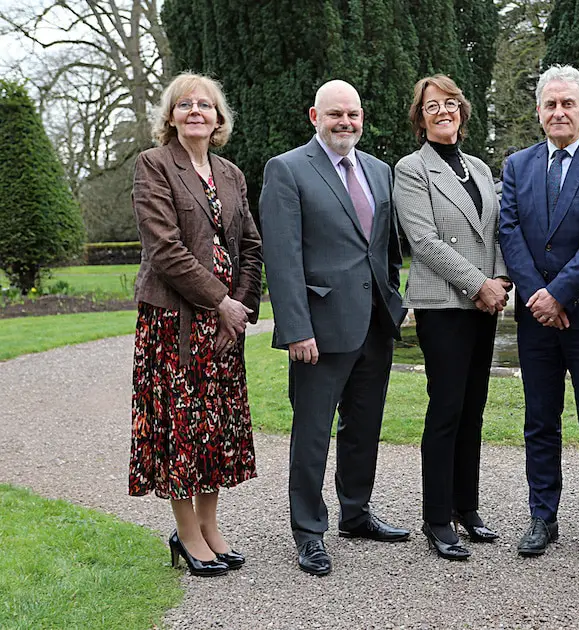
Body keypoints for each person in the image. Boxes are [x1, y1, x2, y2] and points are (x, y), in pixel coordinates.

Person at [258, 80, 410, 577]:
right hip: (319, 330)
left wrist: (394, 300)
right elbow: (282, 259)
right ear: (314, 116)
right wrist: (296, 329)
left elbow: (385, 249)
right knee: (313, 432)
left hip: (374, 324)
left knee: (363, 428)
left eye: (353, 115)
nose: (345, 123)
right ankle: (308, 532)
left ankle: (357, 513)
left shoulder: (379, 170)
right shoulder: (287, 169)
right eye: (335, 115)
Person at [129, 72, 263, 577]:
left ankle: (210, 526)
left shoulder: (231, 173)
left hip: (225, 324)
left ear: (218, 117)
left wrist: (241, 305)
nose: (195, 112)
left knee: (214, 428)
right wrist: (218, 301)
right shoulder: (154, 165)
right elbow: (165, 248)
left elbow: (250, 245)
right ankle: (186, 534)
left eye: (204, 105)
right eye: (184, 105)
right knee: (181, 427)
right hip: (174, 323)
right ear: (171, 116)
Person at [499, 64, 579, 560]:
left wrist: (561, 295)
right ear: (538, 111)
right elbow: (510, 232)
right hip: (536, 318)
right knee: (540, 420)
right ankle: (542, 517)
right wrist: (539, 297)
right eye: (550, 104)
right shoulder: (517, 166)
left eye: (567, 103)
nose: (558, 112)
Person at [393, 75, 511, 560]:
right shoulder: (411, 169)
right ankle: (437, 517)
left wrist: (500, 283)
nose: (443, 111)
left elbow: (498, 230)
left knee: (473, 409)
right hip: (443, 304)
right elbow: (423, 242)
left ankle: (468, 505)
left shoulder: (479, 167)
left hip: (484, 302)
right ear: (420, 117)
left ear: (462, 111)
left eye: (450, 103)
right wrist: (478, 284)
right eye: (431, 106)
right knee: (445, 410)